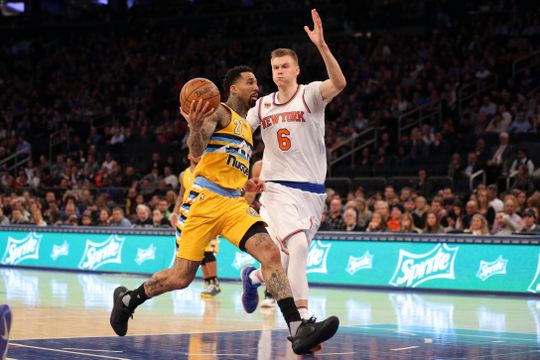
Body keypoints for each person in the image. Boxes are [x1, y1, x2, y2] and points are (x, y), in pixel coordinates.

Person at [109, 66, 339, 355]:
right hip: (204, 202)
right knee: (181, 277)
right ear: (232, 88)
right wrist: (194, 127)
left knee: (270, 252)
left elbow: (228, 162)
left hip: (232, 202)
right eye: (250, 81)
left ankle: (298, 330)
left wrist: (247, 184)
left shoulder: (245, 125)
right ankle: (129, 300)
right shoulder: (218, 112)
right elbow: (197, 149)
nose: (257, 86)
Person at [242, 9, 346, 322]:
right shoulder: (262, 105)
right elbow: (240, 133)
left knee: (284, 264)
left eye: (285, 66)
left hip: (312, 193)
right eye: (275, 67)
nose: (279, 71)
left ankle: (253, 278)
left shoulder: (310, 95)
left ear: (297, 69)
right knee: (298, 246)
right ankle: (302, 320)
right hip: (275, 190)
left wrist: (323, 46)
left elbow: (339, 82)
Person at [172, 153, 222, 298]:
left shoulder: (209, 170)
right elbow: (181, 196)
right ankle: (208, 283)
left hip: (207, 214)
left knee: (208, 251)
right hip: (189, 216)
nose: (197, 156)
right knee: (198, 253)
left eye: (200, 154)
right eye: (194, 154)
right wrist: (175, 213)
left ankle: (214, 282)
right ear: (188, 155)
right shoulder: (184, 175)